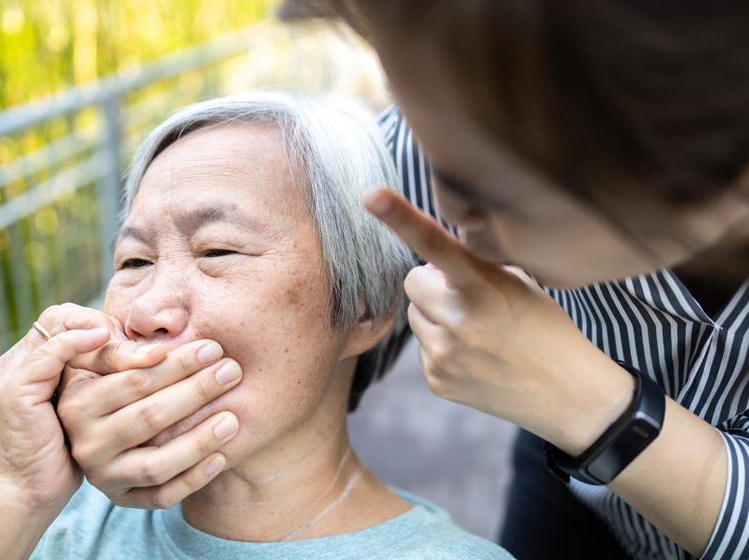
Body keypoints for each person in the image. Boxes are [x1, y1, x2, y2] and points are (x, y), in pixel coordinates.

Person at [0, 92, 514, 560]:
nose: (147, 310)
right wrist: (14, 491)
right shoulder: (43, 524)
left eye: (219, 251)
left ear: (364, 306)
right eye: (134, 261)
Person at [279, 2, 749, 560]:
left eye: (489, 198)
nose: (445, 213)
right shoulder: (482, 110)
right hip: (573, 483)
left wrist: (581, 398)